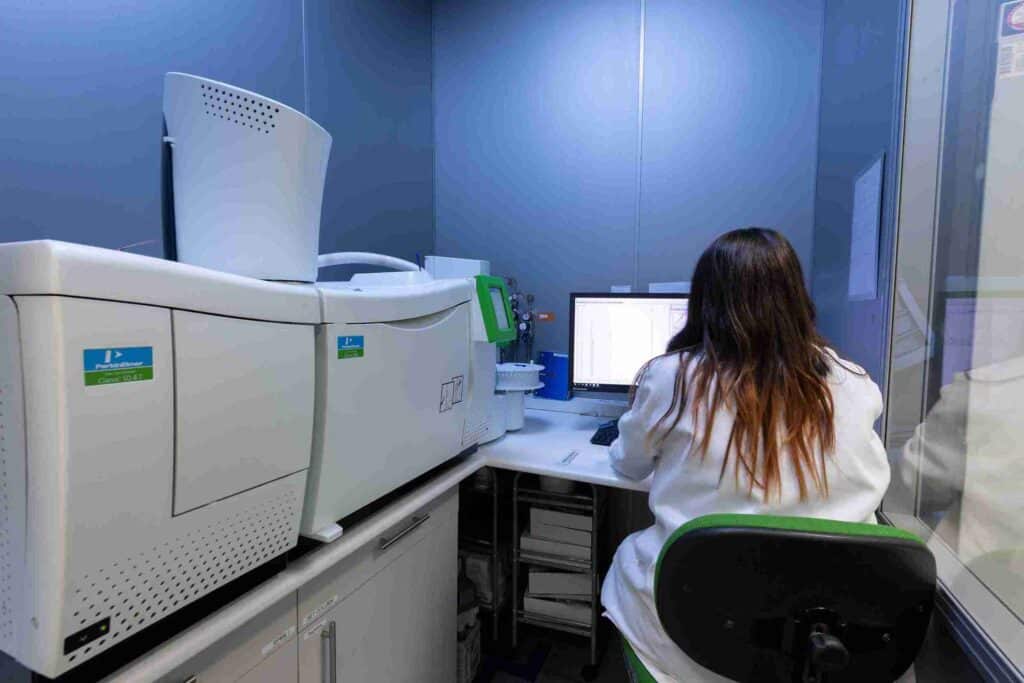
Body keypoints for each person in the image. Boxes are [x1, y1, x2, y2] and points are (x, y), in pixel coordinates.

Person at [601, 228, 892, 682]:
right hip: (816, 638)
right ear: (796, 298)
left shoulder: (673, 378)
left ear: (705, 300)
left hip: (691, 636)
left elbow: (627, 463)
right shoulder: (853, 381)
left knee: (625, 559)